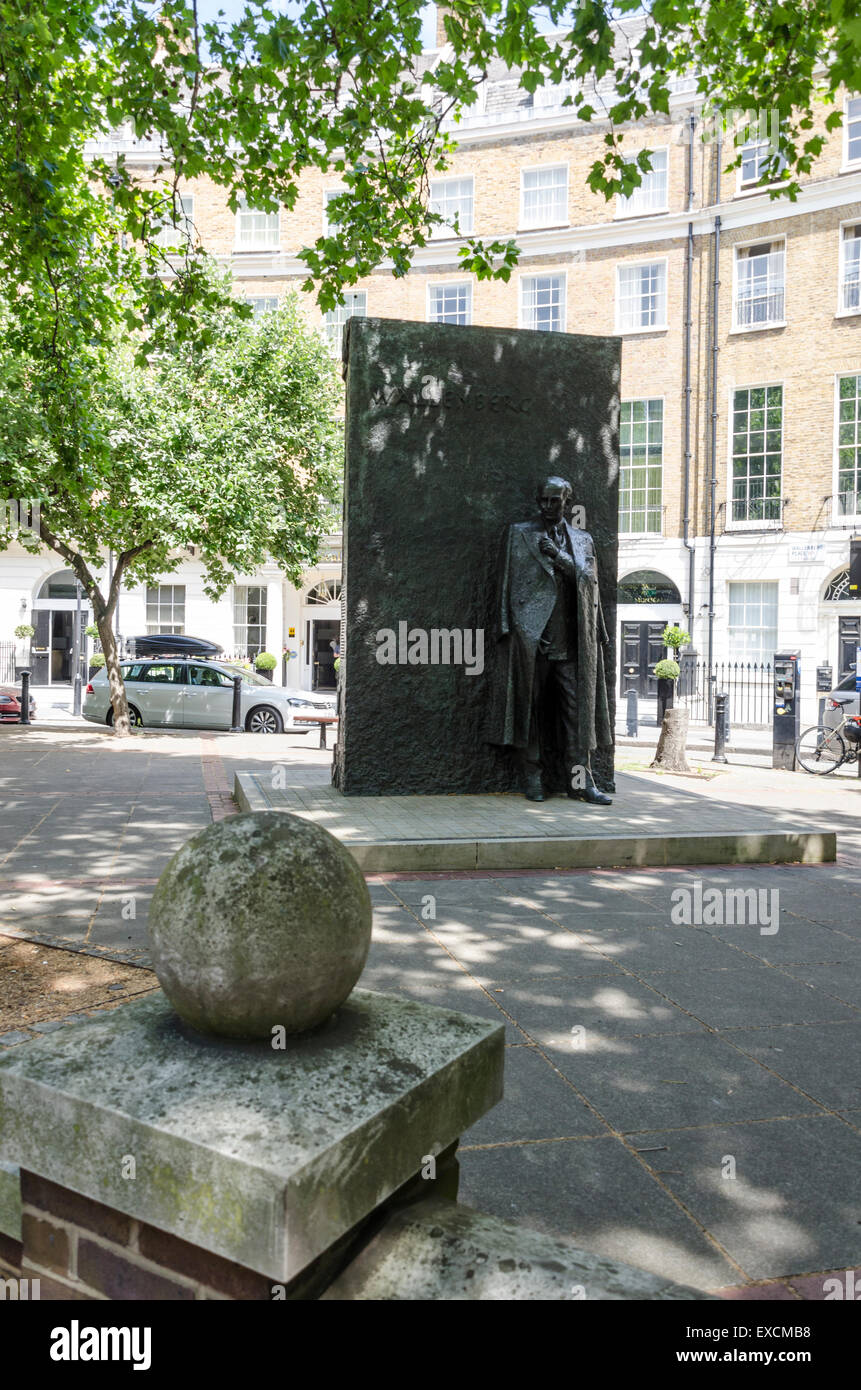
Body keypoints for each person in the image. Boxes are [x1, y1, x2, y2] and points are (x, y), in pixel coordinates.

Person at [488, 475, 613, 804]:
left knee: (577, 717)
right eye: (542, 500)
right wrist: (507, 628)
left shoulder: (582, 540)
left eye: (554, 501)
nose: (546, 506)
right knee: (532, 713)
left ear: (566, 502)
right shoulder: (519, 534)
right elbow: (504, 584)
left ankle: (580, 782)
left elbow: (589, 582)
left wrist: (558, 556)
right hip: (533, 641)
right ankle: (533, 778)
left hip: (573, 645)